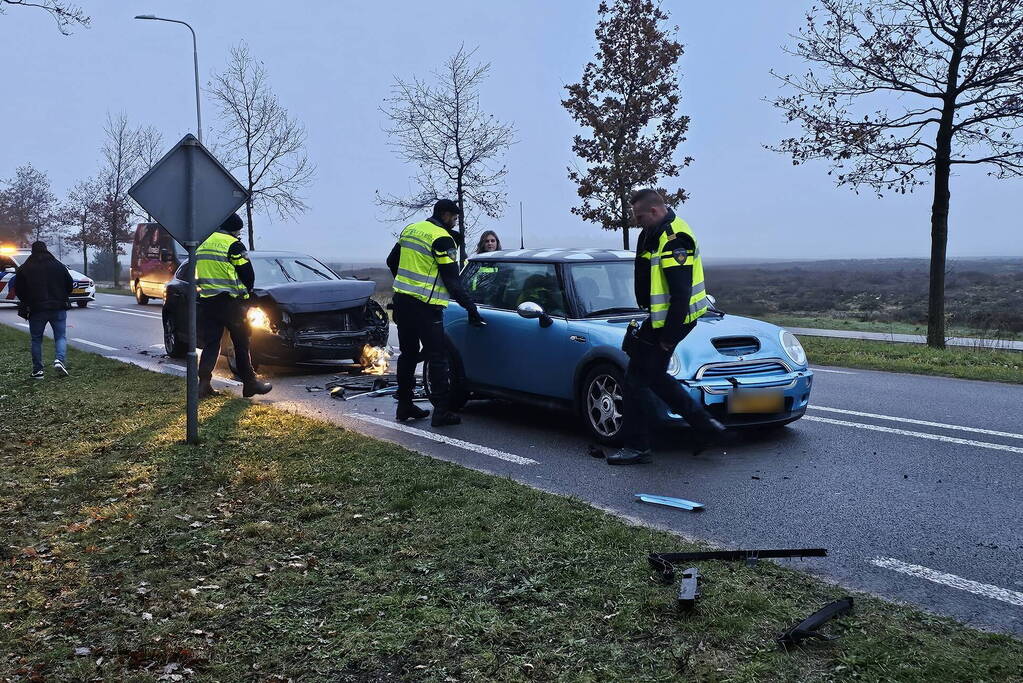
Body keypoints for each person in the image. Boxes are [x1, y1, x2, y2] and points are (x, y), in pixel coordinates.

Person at [607, 189, 726, 465]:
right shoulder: (652, 232)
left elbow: (681, 295)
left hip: (674, 320)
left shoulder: (675, 239)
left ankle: (638, 446)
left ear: (655, 211)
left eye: (639, 217)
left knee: (635, 379)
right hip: (661, 319)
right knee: (656, 377)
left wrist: (668, 339)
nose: (636, 222)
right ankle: (707, 427)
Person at [386, 198, 485, 427]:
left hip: (402, 302)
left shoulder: (412, 229)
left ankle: (404, 405)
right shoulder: (442, 238)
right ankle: (441, 411)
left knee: (408, 355)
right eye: (454, 217)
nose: (455, 222)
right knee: (437, 357)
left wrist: (405, 285)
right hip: (426, 307)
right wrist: (471, 308)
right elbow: (453, 281)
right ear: (445, 215)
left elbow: (391, 261)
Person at [195, 214, 272, 399]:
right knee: (241, 343)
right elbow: (247, 273)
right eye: (238, 230)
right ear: (233, 229)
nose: (239, 234)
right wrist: (248, 292)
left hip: (207, 301)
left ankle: (203, 383)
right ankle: (250, 383)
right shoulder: (233, 245)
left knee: (211, 343)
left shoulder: (202, 243)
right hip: (231, 302)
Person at [13, 241, 73, 379]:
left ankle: (38, 371)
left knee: (36, 339)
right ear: (46, 250)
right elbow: (69, 284)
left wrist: (27, 301)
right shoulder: (58, 265)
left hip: (36, 309)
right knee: (60, 336)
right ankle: (59, 360)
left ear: (32, 251)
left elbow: (19, 290)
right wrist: (62, 295)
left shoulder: (25, 268)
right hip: (58, 307)